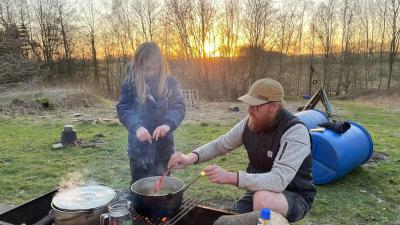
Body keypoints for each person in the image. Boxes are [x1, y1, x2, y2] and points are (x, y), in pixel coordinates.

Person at [168, 78, 316, 223]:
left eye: (256, 106)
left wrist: (230, 177)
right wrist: (190, 158)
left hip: (294, 194)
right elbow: (221, 144)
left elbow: (278, 181)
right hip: (258, 190)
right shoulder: (251, 121)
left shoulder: (295, 132)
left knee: (263, 201)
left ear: (275, 107)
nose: (249, 110)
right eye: (249, 104)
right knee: (230, 220)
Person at [117, 42, 185, 183]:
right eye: (147, 69)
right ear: (138, 66)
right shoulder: (130, 84)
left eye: (155, 68)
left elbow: (178, 106)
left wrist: (167, 125)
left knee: (162, 190)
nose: (151, 73)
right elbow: (124, 108)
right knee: (139, 191)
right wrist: (137, 127)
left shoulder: (170, 82)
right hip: (138, 152)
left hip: (164, 150)